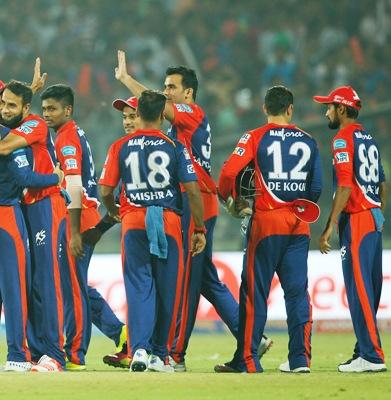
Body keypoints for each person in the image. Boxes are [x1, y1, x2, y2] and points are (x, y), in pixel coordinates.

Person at [114, 50, 272, 371]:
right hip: (195, 198)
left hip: (193, 199)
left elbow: (154, 104)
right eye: (165, 86)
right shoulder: (179, 128)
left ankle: (173, 354)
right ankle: (251, 337)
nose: (165, 92)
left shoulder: (191, 113)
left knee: (184, 279)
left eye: (171, 87)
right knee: (203, 279)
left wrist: (127, 79)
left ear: (188, 93)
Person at [99, 90, 206, 373]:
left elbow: (105, 190)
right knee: (168, 290)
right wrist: (199, 228)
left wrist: (114, 209)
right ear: (161, 115)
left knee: (138, 288)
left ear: (139, 114)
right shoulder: (174, 145)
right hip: (168, 221)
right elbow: (193, 190)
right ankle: (161, 354)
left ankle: (140, 351)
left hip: (133, 221)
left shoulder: (120, 146)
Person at [216, 85, 321, 373]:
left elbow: (227, 173)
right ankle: (300, 360)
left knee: (254, 292)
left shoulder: (254, 136)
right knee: (298, 293)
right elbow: (316, 188)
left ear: (264, 109)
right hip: (299, 225)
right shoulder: (309, 140)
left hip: (266, 221)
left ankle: (247, 360)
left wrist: (231, 200)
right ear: (290, 110)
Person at [0, 76, 63, 372]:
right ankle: (19, 355)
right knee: (17, 287)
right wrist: (56, 178)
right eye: (2, 102)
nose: (6, 108)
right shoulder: (4, 135)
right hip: (7, 214)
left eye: (11, 104)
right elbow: (23, 177)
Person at [40, 84, 126, 371]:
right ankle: (120, 334)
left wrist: (74, 231)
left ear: (68, 110)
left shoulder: (66, 139)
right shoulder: (70, 133)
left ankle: (75, 353)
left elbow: (74, 184)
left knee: (72, 287)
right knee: (74, 284)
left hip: (77, 216)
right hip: (80, 215)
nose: (46, 114)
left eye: (52, 109)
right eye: (44, 109)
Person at [315, 86, 387, 373]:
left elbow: (344, 185)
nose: (326, 112)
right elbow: (383, 183)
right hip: (373, 215)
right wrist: (377, 209)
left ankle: (371, 356)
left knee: (359, 290)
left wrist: (330, 224)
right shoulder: (369, 138)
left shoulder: (342, 139)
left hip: (356, 218)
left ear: (342, 109)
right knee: (370, 288)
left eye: (330, 106)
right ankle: (363, 349)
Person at [83, 96, 138, 369]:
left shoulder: (128, 149)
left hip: (151, 227)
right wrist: (101, 228)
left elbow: (109, 195)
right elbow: (116, 198)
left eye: (133, 116)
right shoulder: (125, 149)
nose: (127, 122)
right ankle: (131, 341)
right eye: (124, 117)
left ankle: (154, 349)